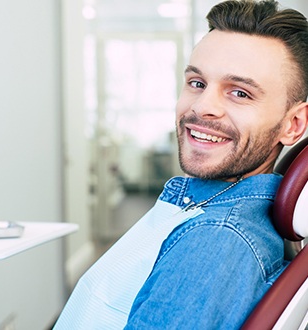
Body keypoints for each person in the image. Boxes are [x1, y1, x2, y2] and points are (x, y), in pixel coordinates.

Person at [54, 0, 308, 329]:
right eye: (197, 83)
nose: (202, 107)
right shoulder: (206, 208)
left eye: (240, 93)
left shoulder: (216, 240)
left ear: (294, 125)